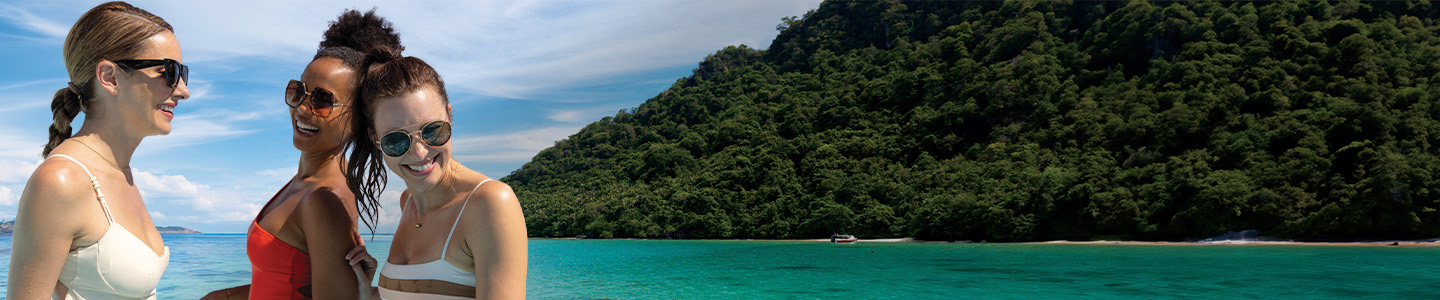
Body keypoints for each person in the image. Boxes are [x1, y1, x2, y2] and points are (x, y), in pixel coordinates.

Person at [201, 9, 403, 300]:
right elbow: (286, 283)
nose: (302, 108)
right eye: (298, 92)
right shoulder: (305, 182)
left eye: (323, 100)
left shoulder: (324, 199)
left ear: (358, 118)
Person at [7, 2, 189, 299]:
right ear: (110, 77)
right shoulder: (61, 181)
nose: (183, 89)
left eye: (183, 73)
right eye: (168, 71)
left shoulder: (120, 171)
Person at [341, 54, 527, 299]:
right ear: (375, 138)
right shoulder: (407, 201)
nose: (419, 152)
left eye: (432, 131)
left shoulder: (489, 202)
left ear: (450, 116)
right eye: (396, 140)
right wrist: (371, 293)